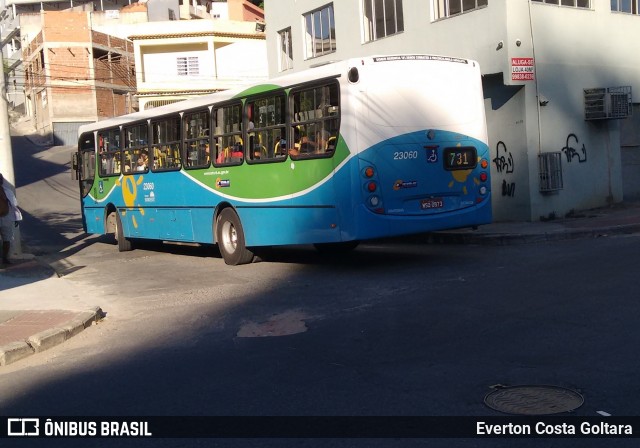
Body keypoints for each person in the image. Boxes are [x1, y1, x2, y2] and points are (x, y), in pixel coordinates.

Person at [0, 172, 22, 266]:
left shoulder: (7, 191)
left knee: (7, 239)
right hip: (6, 217)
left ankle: (5, 258)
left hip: (6, 217)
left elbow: (13, 205)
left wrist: (16, 218)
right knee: (6, 239)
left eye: (0, 179)